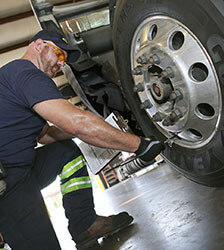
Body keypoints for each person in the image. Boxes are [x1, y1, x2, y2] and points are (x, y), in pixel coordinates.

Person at [0, 30, 164, 250]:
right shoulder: (26, 74)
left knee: (66, 152)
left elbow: (46, 135)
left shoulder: (15, 81)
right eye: (58, 54)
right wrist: (139, 145)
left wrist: (102, 128)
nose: (60, 63)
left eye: (64, 60)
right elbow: (77, 122)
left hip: (21, 169)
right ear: (38, 45)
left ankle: (84, 224)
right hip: (6, 183)